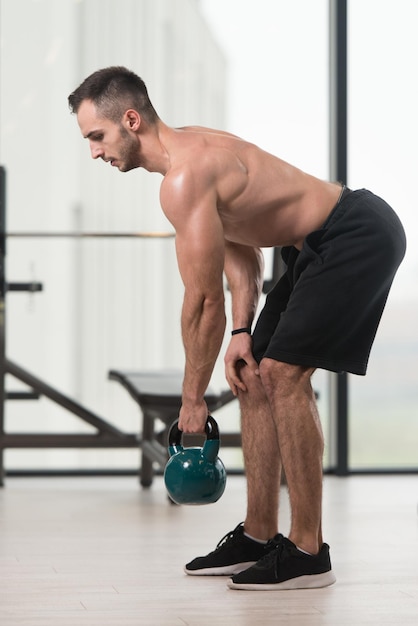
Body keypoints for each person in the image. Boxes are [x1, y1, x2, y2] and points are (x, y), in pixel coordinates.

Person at [68, 66, 406, 591]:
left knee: (283, 376)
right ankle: (257, 534)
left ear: (130, 120)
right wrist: (241, 333)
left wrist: (192, 401)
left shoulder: (184, 179)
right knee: (252, 374)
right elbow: (243, 256)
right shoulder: (189, 156)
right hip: (312, 248)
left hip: (355, 232)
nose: (94, 152)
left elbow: (202, 302)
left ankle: (308, 553)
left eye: (97, 137)